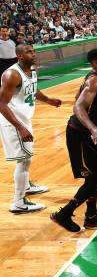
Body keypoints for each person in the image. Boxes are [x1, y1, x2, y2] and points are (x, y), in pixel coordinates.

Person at [51, 49, 97, 231]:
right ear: (95, 62)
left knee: (96, 176)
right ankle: (64, 213)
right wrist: (92, 127)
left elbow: (76, 99)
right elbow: (78, 106)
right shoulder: (95, 80)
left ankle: (92, 215)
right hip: (80, 134)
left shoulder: (93, 78)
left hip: (87, 134)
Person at [0, 44, 61, 213]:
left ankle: (26, 186)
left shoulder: (32, 69)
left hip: (24, 119)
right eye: (28, 52)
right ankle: (18, 202)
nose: (33, 54)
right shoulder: (11, 74)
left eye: (33, 51)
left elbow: (32, 89)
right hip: (13, 122)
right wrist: (20, 128)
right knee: (24, 159)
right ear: (19, 56)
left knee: (27, 158)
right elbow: (1, 103)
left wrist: (47, 100)